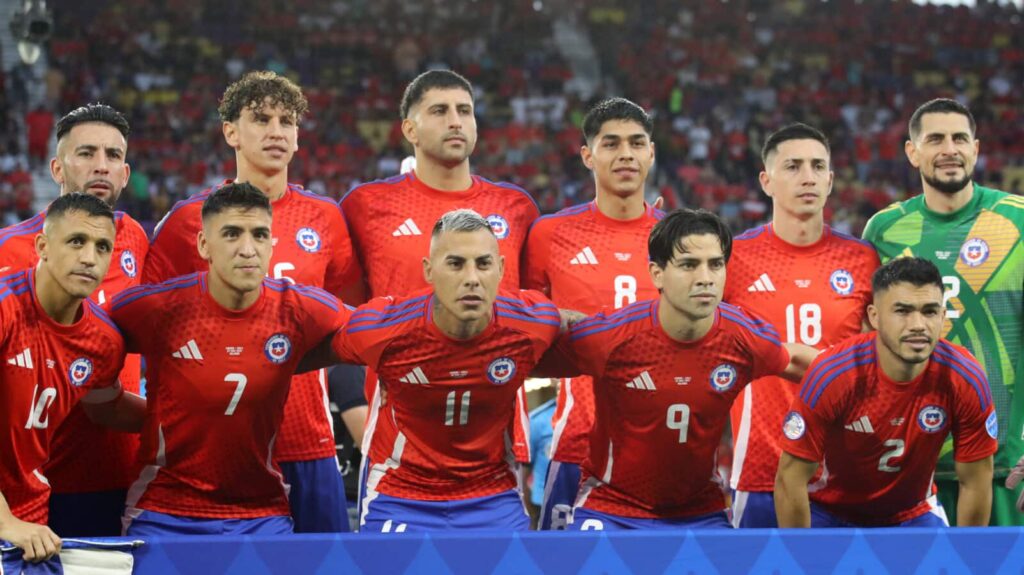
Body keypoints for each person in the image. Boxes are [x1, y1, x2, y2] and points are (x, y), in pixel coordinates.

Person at [141, 71, 363, 533]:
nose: (276, 131)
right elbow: (150, 331)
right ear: (230, 132)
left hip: (307, 440)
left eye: (287, 121)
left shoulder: (326, 218)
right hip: (214, 450)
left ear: (299, 137)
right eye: (261, 119)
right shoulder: (186, 222)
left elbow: (348, 329)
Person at [549, 209, 818, 530]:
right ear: (657, 273)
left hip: (701, 511)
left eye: (715, 264)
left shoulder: (743, 338)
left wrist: (870, 373)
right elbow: (528, 361)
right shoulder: (613, 337)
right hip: (612, 507)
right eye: (689, 264)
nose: (705, 277)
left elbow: (800, 361)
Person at [111, 184, 347, 536]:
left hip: (261, 512)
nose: (247, 249)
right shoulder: (156, 308)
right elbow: (86, 334)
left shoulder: (300, 308)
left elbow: (375, 333)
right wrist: (103, 396)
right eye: (232, 234)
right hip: (163, 510)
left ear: (271, 245)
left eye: (259, 235)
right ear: (204, 245)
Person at [304, 209, 560, 531]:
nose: (472, 277)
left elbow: (597, 339)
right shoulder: (384, 328)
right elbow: (298, 355)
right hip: (400, 493)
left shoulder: (534, 325)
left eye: (483, 263)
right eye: (455, 263)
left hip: (492, 493)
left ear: (501, 269)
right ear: (429, 270)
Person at [340, 70, 541, 471]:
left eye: (465, 111)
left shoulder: (517, 208)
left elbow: (536, 315)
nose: (456, 121)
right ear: (409, 129)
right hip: (396, 442)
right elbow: (345, 314)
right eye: (440, 111)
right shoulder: (363, 207)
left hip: (495, 442)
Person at [862, 98, 1024, 525]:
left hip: (1009, 463)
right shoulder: (884, 230)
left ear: (976, 148)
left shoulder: (1016, 220)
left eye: (959, 138)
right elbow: (870, 338)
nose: (949, 148)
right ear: (912, 152)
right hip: (913, 467)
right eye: (935, 139)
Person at [0, 104, 148, 537]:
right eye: (86, 153)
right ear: (57, 167)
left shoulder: (134, 238)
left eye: (113, 155)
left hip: (116, 471)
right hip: (31, 479)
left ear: (125, 172)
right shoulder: (8, 254)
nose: (101, 166)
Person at [723, 123, 879, 527]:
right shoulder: (731, 257)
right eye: (792, 166)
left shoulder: (862, 259)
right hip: (761, 469)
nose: (807, 176)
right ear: (766, 180)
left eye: (817, 166)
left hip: (841, 472)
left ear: (830, 180)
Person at [521, 97, 663, 529]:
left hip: (664, 444)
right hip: (574, 445)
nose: (626, 154)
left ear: (651, 154)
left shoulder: (680, 238)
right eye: (611, 143)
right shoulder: (550, 234)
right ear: (588, 155)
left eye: (637, 143)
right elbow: (525, 332)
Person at [775, 257, 997, 527]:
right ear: (874, 317)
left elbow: (976, 481)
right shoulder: (833, 374)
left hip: (912, 514)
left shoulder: (964, 377)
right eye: (903, 311)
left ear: (942, 316)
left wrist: (966, 561)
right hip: (829, 512)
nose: (918, 324)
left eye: (929, 311)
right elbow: (790, 479)